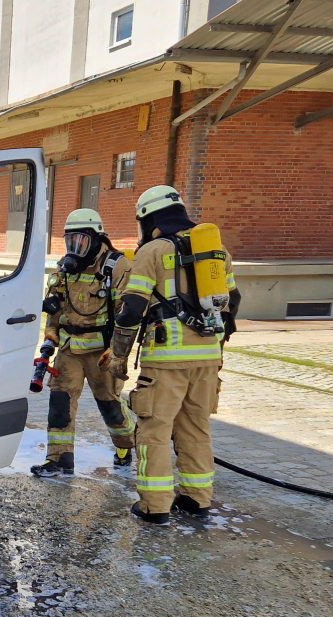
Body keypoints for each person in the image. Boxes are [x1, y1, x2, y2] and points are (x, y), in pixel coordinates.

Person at [101, 186, 241, 525]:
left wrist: (119, 355)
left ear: (149, 219)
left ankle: (155, 506)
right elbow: (232, 304)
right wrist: (216, 349)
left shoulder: (152, 251)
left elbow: (132, 309)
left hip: (165, 361)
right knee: (196, 428)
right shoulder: (217, 251)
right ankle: (196, 500)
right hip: (207, 359)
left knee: (154, 431)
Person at [31, 208, 137, 477]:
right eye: (70, 240)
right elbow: (56, 309)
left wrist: (117, 352)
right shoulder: (65, 267)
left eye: (80, 240)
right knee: (60, 404)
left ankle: (125, 446)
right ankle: (59, 460)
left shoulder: (116, 266)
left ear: (96, 237)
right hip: (69, 350)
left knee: (110, 407)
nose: (74, 247)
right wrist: (50, 336)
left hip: (102, 352)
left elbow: (127, 312)